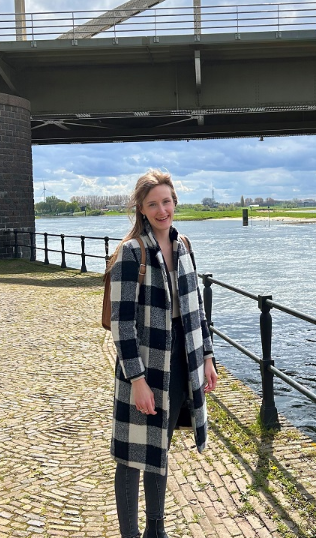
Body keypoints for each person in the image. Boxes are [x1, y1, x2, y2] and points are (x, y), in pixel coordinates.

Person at [106, 169, 217, 538]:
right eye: (153, 204)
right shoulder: (131, 253)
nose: (161, 210)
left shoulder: (184, 245)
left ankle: (157, 530)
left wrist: (207, 357)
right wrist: (137, 380)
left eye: (166, 201)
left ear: (175, 203)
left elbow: (197, 309)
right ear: (141, 208)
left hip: (181, 362)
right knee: (130, 456)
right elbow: (122, 325)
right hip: (144, 364)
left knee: (159, 448)